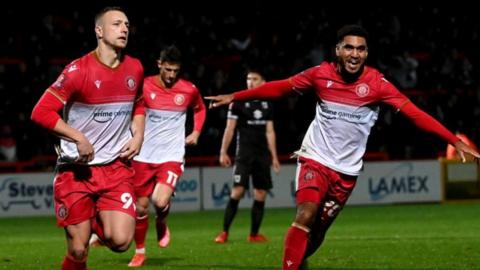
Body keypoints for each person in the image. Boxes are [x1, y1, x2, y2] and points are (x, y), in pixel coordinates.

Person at [206, 25, 480, 270]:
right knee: (306, 214)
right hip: (315, 158)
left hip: (346, 172)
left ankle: (299, 260)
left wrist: (453, 140)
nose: (354, 54)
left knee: (316, 234)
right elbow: (280, 88)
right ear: (338, 50)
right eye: (348, 47)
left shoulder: (377, 84)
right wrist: (236, 96)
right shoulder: (320, 74)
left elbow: (414, 113)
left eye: (360, 49)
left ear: (367, 53)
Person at [30, 7, 145, 270]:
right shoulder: (77, 71)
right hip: (76, 170)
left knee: (121, 241)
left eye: (127, 24)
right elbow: (40, 112)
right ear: (99, 31)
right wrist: (77, 137)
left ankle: (92, 218)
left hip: (116, 168)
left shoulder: (135, 68)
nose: (124, 29)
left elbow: (139, 103)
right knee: (79, 250)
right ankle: (85, 224)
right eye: (116, 24)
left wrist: (138, 134)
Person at [127, 45, 206, 268]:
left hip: (171, 155)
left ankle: (162, 221)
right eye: (168, 69)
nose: (172, 75)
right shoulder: (144, 85)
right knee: (140, 208)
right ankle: (140, 252)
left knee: (159, 200)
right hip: (143, 155)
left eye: (176, 70)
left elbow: (200, 109)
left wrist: (196, 132)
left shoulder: (188, 89)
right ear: (159, 64)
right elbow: (133, 111)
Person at [214, 69, 281, 244]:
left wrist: (274, 156)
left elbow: (270, 131)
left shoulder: (268, 103)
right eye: (248, 78)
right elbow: (229, 129)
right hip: (243, 155)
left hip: (262, 156)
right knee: (237, 191)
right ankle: (224, 232)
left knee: (260, 194)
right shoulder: (237, 102)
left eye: (254, 79)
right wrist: (223, 151)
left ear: (263, 82)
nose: (250, 82)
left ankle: (254, 234)